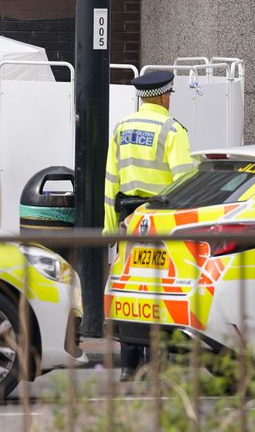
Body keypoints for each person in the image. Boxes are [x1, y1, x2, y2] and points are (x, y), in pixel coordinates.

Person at [104, 69, 195, 381]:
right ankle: (158, 365)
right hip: (161, 220)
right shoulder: (172, 130)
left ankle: (129, 365)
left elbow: (110, 182)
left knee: (130, 291)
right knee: (160, 292)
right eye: (169, 94)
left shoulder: (121, 128)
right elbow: (184, 183)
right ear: (163, 95)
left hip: (129, 221)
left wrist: (108, 228)